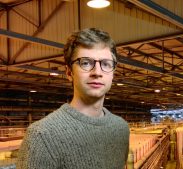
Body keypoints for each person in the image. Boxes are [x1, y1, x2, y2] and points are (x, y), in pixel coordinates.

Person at [16, 28, 130, 169]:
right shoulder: (42, 136)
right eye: (86, 63)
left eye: (106, 64)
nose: (97, 72)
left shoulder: (121, 128)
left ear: (113, 73)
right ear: (69, 72)